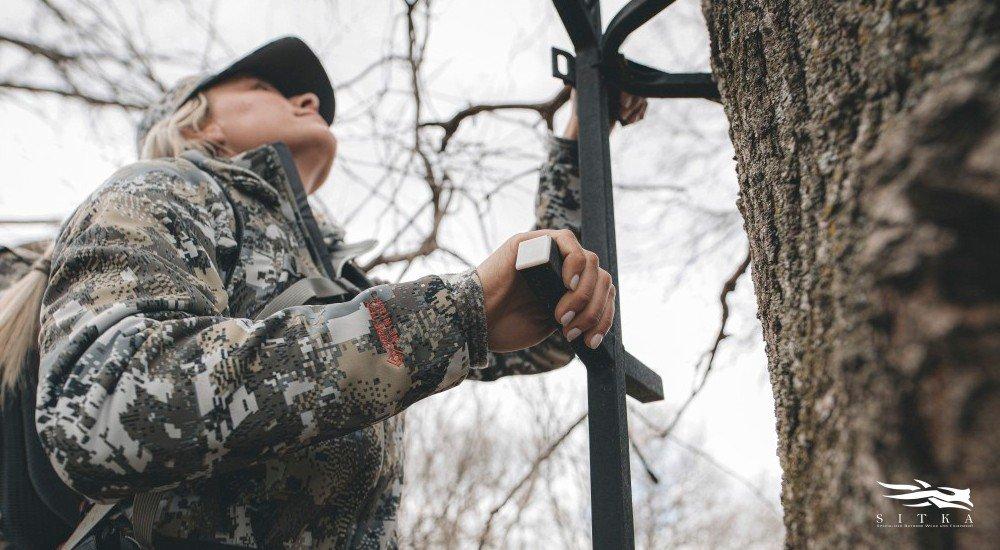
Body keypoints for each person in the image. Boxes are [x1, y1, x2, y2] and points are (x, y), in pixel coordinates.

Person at [1, 36, 646, 548]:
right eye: (264, 87)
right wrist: (451, 315)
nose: (308, 97)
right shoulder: (162, 191)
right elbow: (107, 406)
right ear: (197, 126)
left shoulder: (338, 282)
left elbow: (539, 336)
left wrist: (577, 142)